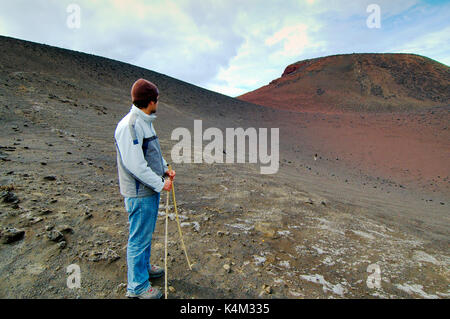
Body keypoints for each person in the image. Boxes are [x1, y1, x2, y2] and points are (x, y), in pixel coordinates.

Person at [114, 78, 175, 299]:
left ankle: (144, 269)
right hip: (140, 194)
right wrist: (161, 183)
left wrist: (166, 168)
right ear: (150, 101)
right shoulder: (130, 125)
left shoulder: (145, 122)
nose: (157, 103)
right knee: (138, 237)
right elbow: (136, 165)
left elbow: (152, 153)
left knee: (145, 234)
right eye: (157, 100)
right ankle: (137, 286)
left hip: (149, 191)